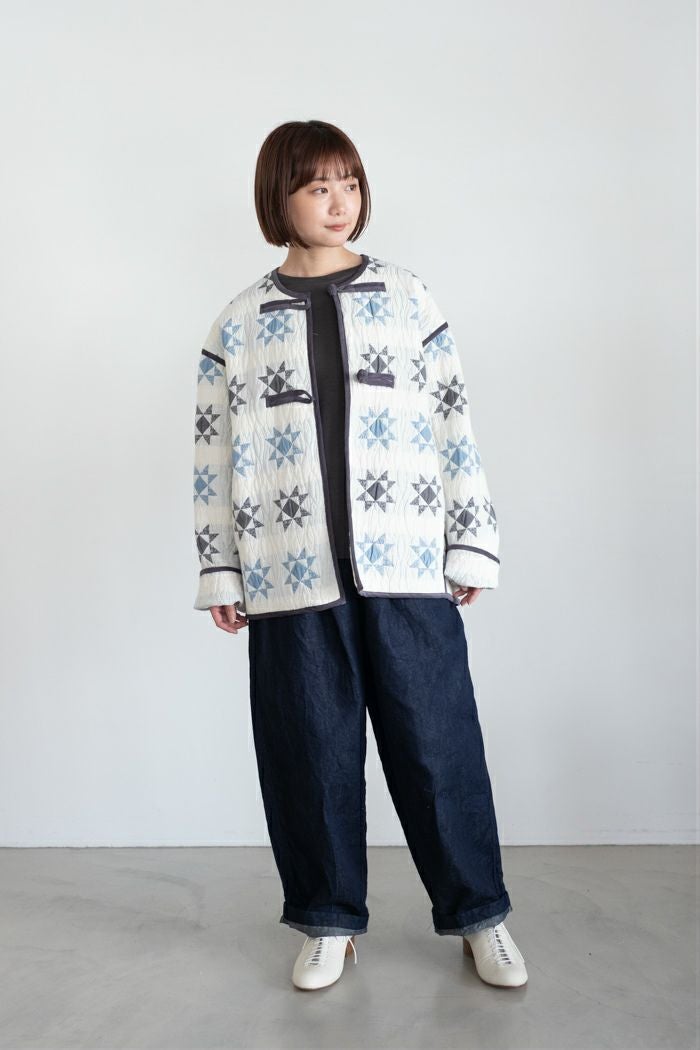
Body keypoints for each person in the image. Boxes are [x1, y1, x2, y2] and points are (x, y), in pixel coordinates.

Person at [193, 119, 527, 991]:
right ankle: (327, 920)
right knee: (308, 751)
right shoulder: (239, 322)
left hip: (406, 564)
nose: (338, 202)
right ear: (279, 198)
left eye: (349, 182)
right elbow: (212, 455)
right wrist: (221, 565)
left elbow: (454, 421)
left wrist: (469, 541)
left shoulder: (407, 297)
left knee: (438, 744)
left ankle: (479, 915)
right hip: (288, 572)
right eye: (317, 186)